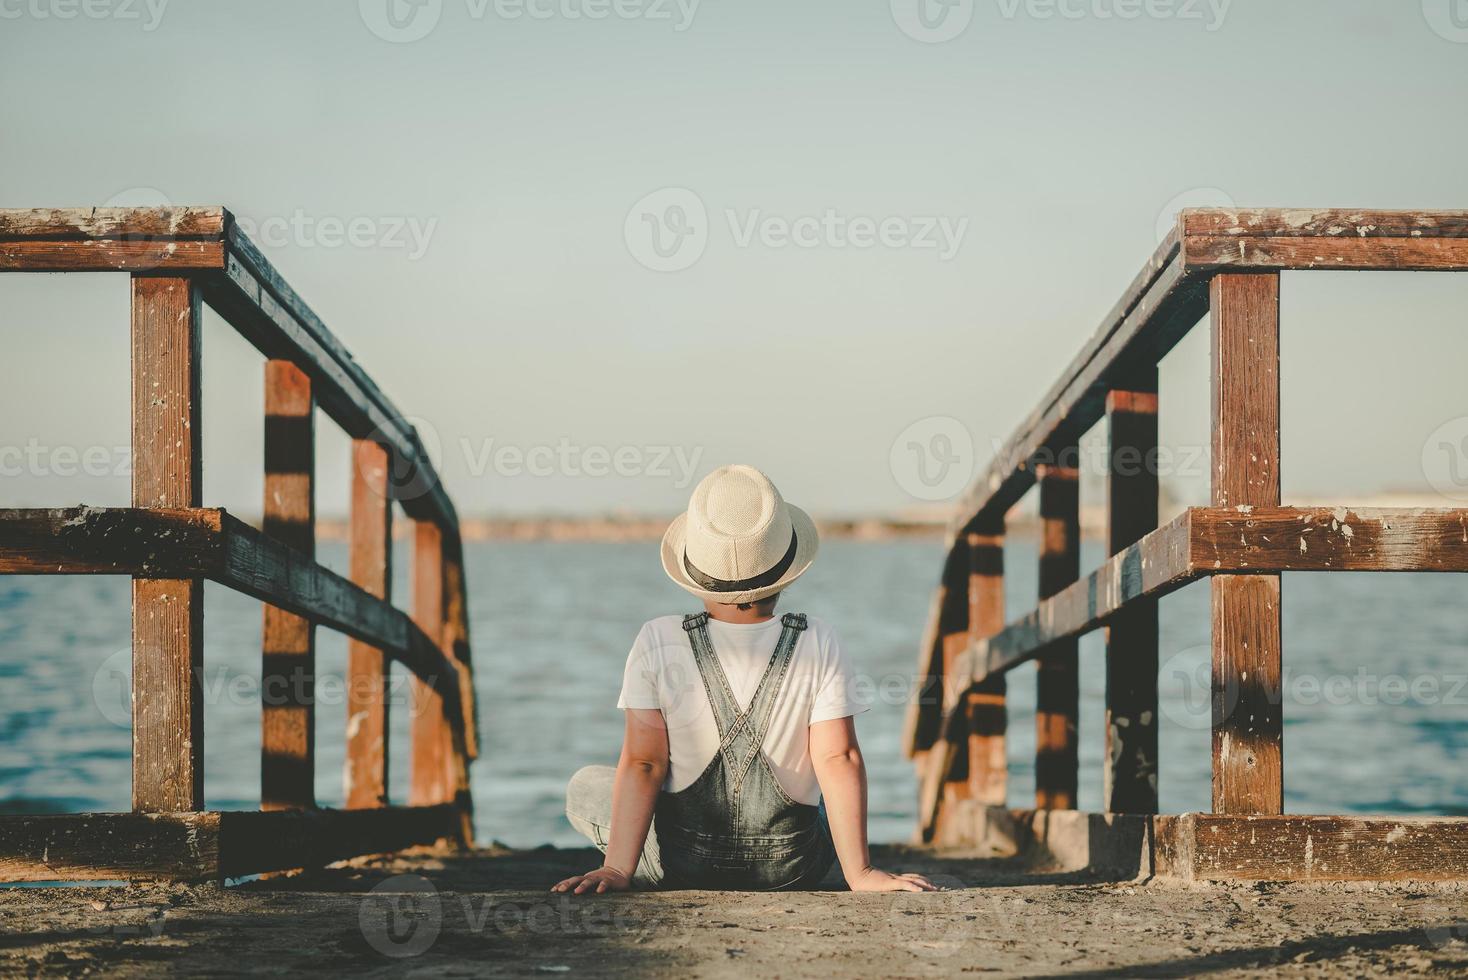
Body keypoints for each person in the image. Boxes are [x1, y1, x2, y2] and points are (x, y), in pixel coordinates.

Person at [553, 464, 937, 894]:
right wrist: (860, 874)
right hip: (791, 869)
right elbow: (838, 759)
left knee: (585, 788)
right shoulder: (818, 639)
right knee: (824, 805)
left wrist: (618, 870)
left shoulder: (658, 639)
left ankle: (629, 862)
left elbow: (645, 764)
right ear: (785, 567)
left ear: (695, 572)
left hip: (686, 867)